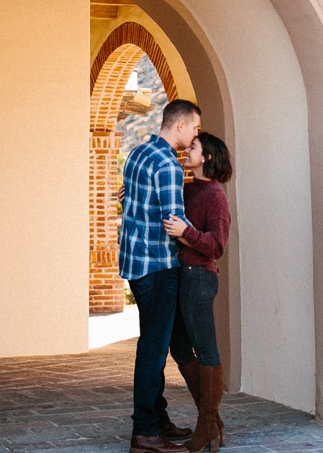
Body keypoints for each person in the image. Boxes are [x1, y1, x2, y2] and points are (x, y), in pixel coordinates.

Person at [120, 99, 203, 453]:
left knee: (153, 343)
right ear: (181, 125)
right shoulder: (169, 165)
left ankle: (159, 419)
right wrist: (203, 240)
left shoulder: (138, 153)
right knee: (153, 350)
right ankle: (146, 433)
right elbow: (175, 223)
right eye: (195, 127)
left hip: (134, 264)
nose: (197, 133)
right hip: (157, 266)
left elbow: (131, 202)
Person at [164, 132, 232, 453]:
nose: (186, 150)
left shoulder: (215, 196)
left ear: (206, 157)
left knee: (206, 350)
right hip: (180, 276)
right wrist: (132, 195)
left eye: (193, 147)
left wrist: (186, 232)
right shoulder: (188, 188)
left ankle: (206, 425)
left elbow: (216, 246)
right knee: (179, 346)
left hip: (199, 277)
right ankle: (212, 421)